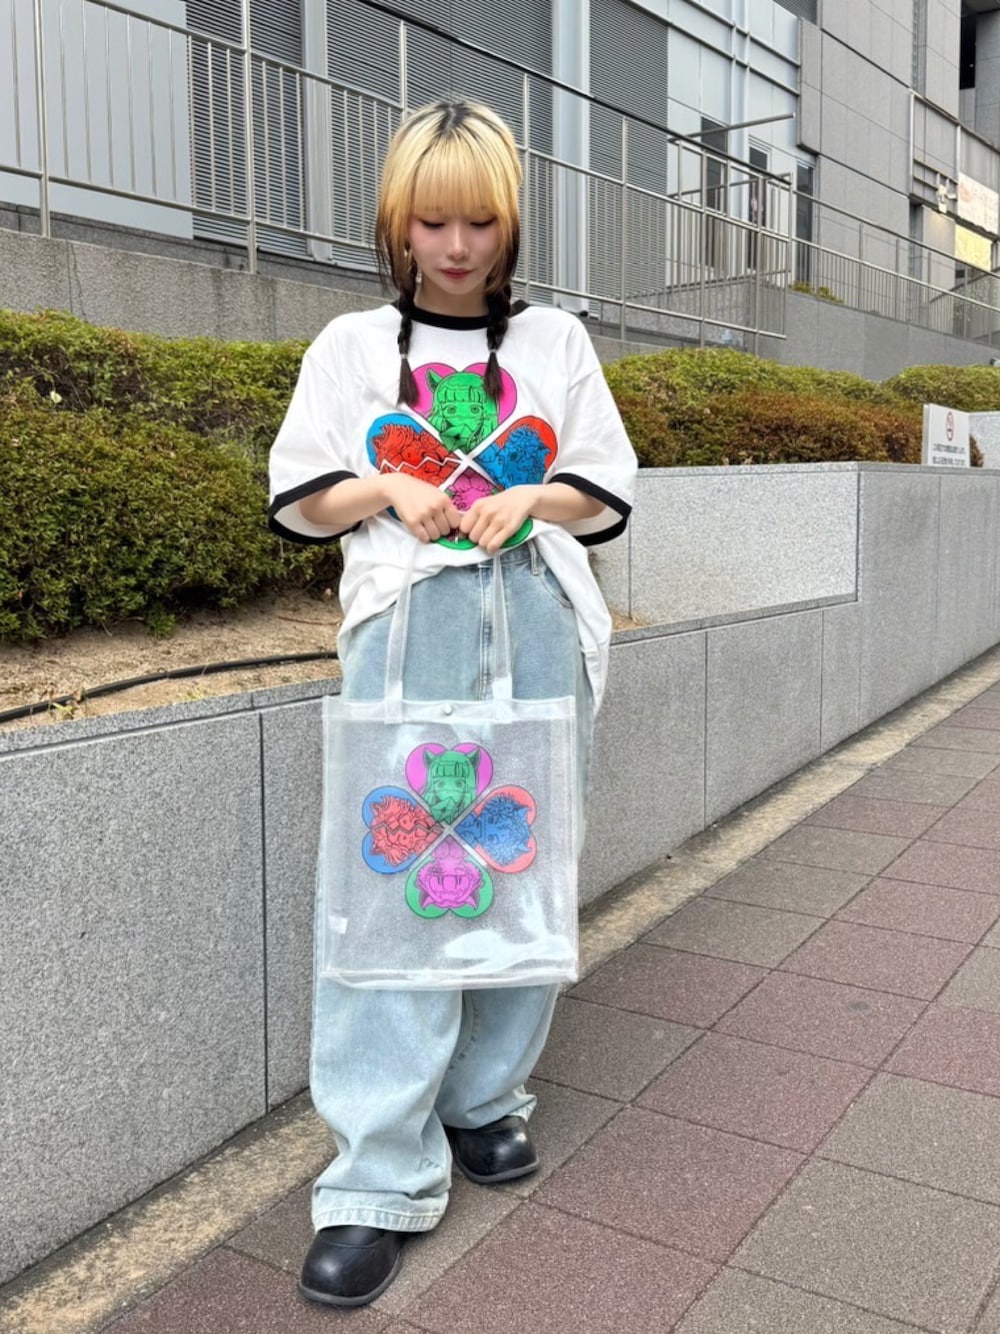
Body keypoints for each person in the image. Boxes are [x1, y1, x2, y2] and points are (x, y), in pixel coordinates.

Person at [268, 98, 637, 1308]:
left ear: (510, 221)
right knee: (390, 887)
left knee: (519, 859)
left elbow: (601, 483)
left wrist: (532, 500)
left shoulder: (557, 343)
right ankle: (376, 1172)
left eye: (480, 220)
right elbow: (302, 492)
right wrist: (385, 485)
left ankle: (484, 1095)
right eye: (433, 221)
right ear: (398, 222)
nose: (458, 245)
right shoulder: (348, 347)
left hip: (533, 620)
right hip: (409, 631)